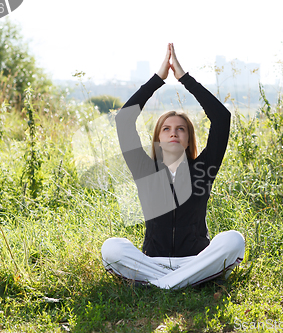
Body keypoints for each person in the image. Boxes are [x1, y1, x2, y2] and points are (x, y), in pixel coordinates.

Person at [101, 43, 245, 289]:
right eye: (166, 129)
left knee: (234, 240)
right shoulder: (144, 170)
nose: (173, 133)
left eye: (181, 129)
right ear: (158, 138)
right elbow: (125, 119)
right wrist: (158, 78)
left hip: (196, 260)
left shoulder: (203, 169)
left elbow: (221, 118)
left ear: (189, 138)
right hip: (152, 262)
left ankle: (160, 285)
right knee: (111, 247)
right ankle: (181, 283)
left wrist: (184, 78)